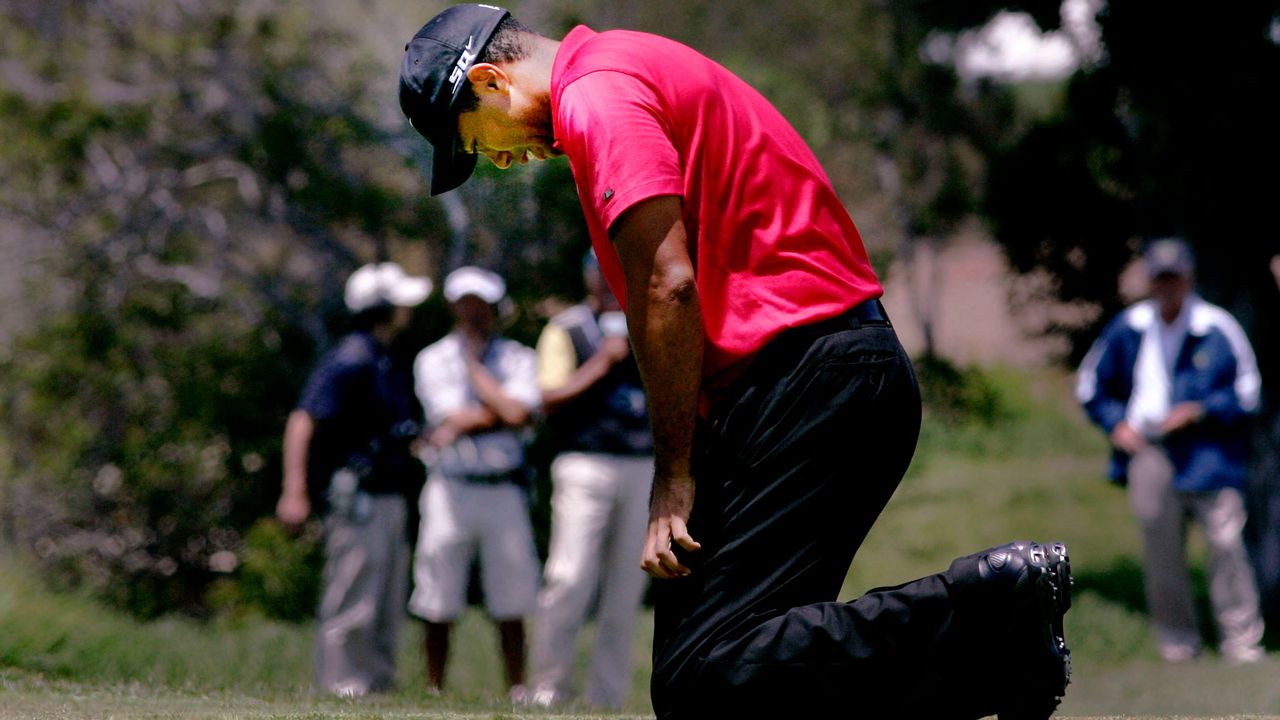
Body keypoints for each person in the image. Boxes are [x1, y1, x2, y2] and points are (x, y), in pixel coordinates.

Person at [399, 6, 1073, 718]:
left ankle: (996, 608)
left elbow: (668, 285)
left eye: (482, 142)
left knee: (711, 675)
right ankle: (998, 641)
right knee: (705, 680)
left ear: (490, 80)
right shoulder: (621, 65)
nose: (503, 160)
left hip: (811, 379)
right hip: (815, 379)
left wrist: (674, 474)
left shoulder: (596, 94)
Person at [1076, 237, 1265, 664]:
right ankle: (1178, 643)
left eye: (1174, 277)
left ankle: (1241, 641)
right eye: (1159, 278)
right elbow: (1091, 385)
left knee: (1226, 544)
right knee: (1162, 553)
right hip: (1149, 450)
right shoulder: (1130, 326)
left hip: (1209, 452)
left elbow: (1248, 393)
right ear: (1149, 280)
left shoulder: (1216, 327)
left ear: (1188, 277)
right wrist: (1115, 424)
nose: (1167, 286)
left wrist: (1198, 410)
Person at [275, 261, 431, 698]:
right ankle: (342, 686)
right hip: (359, 496)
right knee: (352, 597)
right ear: (380, 307)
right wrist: (294, 490)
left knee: (384, 598)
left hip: (389, 494)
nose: (407, 309)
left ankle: (377, 686)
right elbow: (304, 419)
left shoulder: (385, 358)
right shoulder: (351, 358)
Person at [527, 250, 654, 709]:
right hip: (584, 463)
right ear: (588, 275)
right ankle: (547, 689)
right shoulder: (567, 327)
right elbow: (548, 397)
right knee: (569, 576)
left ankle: (607, 698)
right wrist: (602, 362)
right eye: (600, 271)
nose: (608, 279)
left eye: (616, 269)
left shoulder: (649, 317)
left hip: (642, 464)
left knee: (626, 588)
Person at [408, 265, 541, 700]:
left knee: (512, 596)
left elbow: (519, 414)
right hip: (452, 486)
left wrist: (475, 374)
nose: (473, 314)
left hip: (502, 487)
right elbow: (448, 415)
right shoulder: (431, 358)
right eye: (466, 305)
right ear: (453, 307)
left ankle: (517, 689)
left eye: (480, 306)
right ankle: (433, 687)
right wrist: (499, 411)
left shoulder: (518, 357)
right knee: (438, 593)